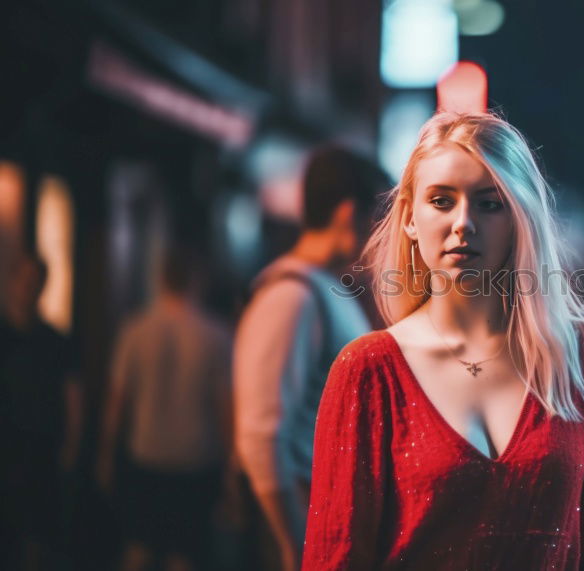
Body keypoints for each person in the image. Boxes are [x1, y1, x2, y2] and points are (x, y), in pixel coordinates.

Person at [302, 111, 584, 570]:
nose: (463, 223)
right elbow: (336, 555)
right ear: (410, 219)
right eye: (441, 200)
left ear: (520, 218)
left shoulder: (579, 352)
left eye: (489, 203)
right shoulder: (369, 370)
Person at [233, 146, 380, 571]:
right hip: (302, 524)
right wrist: (295, 543)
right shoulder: (291, 296)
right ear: (348, 214)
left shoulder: (327, 288)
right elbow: (261, 435)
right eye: (377, 220)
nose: (380, 236)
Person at [97, 245, 232, 571]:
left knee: (138, 549)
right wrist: (231, 471)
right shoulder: (215, 335)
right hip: (195, 459)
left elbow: (117, 401)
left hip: (145, 454)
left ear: (161, 279)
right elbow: (225, 408)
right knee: (184, 557)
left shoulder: (135, 330)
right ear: (197, 280)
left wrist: (105, 454)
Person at [0, 252, 81, 571]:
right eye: (24, 280)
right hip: (6, 452)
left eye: (35, 281)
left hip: (41, 451)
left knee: (37, 536)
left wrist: (71, 448)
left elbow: (73, 397)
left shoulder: (55, 341)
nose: (28, 288)